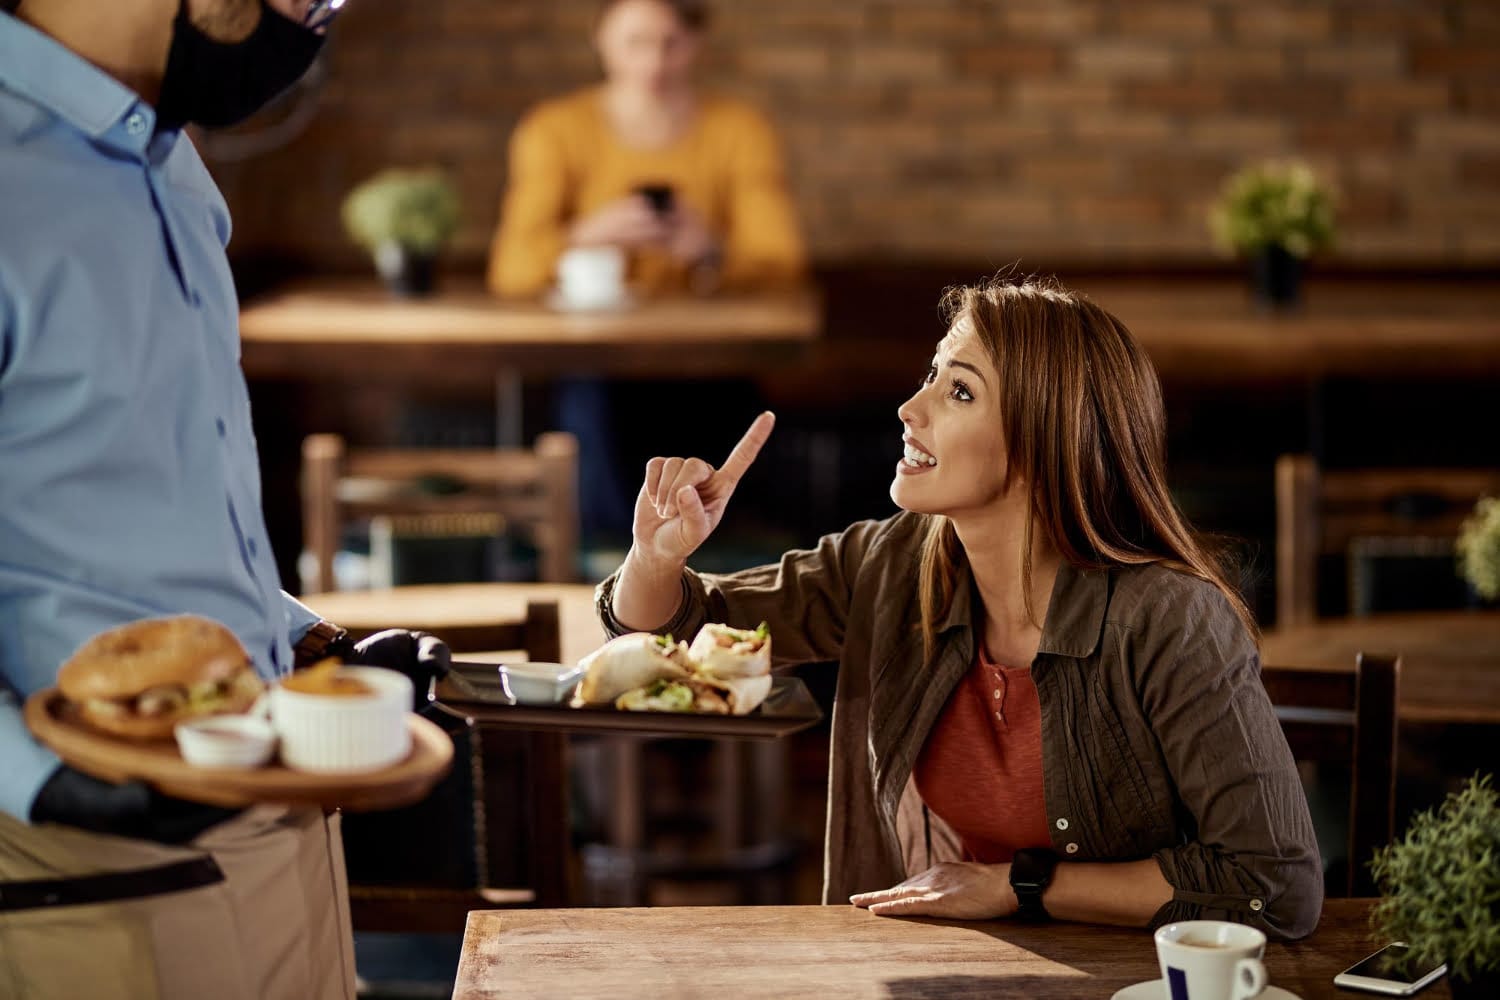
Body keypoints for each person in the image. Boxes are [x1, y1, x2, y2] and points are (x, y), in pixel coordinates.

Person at [596, 275, 1324, 939]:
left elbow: (1273, 883)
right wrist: (656, 559)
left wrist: (1017, 888)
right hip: (926, 973)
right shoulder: (886, 564)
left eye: (961, 392)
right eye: (930, 378)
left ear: (1044, 441)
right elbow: (675, 631)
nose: (911, 410)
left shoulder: (1169, 621)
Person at [0, 2, 449, 997]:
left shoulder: (170, 165)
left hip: (275, 815)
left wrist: (300, 638)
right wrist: (36, 774)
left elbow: (140, 491)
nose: (308, 19)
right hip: (85, 862)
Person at [487, 0, 807, 543]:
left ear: (696, 44)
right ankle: (618, 572)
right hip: (597, 361)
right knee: (594, 411)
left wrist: (709, 251)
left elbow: (782, 262)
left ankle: (703, 570)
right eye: (636, 42)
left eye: (670, 43)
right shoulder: (555, 130)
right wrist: (587, 234)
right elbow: (511, 270)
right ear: (602, 41)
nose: (654, 62)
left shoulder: (738, 130)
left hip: (709, 359)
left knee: (726, 426)